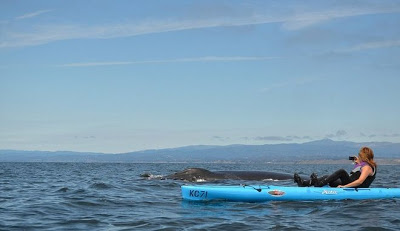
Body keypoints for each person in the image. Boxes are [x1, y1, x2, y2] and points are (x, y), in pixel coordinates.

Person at [294, 146, 377, 188]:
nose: (359, 156)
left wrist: (344, 187)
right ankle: (304, 184)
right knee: (328, 177)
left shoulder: (367, 167)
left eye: (360, 155)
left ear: (364, 156)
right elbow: (356, 174)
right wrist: (358, 163)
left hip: (354, 186)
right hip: (349, 182)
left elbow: (359, 181)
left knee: (342, 171)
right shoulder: (364, 165)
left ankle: (318, 184)